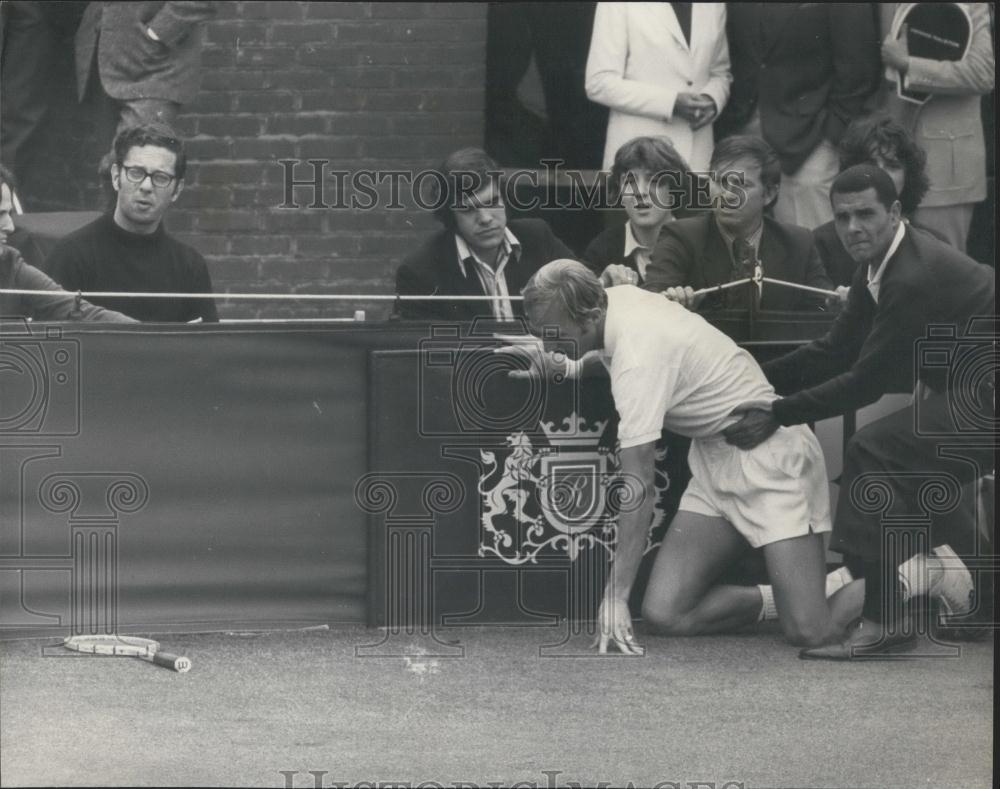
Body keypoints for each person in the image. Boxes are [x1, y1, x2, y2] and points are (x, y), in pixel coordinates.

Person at [723, 165, 995, 659]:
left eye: (866, 214)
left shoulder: (911, 275)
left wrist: (776, 412)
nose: (853, 228)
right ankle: (987, 604)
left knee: (875, 449)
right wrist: (750, 377)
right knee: (914, 465)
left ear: (894, 213)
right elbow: (834, 350)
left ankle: (883, 624)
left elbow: (865, 383)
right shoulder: (877, 265)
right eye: (843, 217)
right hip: (977, 392)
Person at [516, 259, 843, 654]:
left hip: (772, 458)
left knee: (809, 632)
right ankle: (801, 595)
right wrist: (565, 367)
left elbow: (639, 488)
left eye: (554, 335)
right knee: (666, 613)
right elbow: (606, 351)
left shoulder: (639, 356)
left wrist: (616, 598)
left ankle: (916, 575)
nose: (547, 345)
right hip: (714, 459)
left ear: (590, 314)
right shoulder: (612, 300)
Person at [716, 3, 881, 230]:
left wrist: (831, 134)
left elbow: (859, 66)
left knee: (812, 247)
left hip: (810, 139)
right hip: (740, 130)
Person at [47, 123, 217, 323]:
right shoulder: (71, 255)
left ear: (177, 190)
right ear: (116, 176)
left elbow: (207, 348)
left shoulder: (190, 266)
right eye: (136, 173)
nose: (146, 186)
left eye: (160, 178)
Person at [643, 135, 832, 312]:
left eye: (741, 185)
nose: (727, 194)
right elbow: (650, 300)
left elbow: (821, 310)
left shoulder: (798, 242)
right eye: (719, 181)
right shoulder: (681, 236)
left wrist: (835, 302)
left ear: (769, 194)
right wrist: (674, 305)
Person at [394, 148, 575, 322]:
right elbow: (422, 347)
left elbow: (586, 292)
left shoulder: (537, 236)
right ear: (450, 215)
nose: (485, 218)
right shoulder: (419, 271)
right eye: (468, 209)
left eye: (492, 202)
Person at [880, 2, 995, 252]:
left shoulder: (972, 5)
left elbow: (983, 74)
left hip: (947, 170)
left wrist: (908, 64)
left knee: (946, 265)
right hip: (894, 156)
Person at [585, 2, 731, 172]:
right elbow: (599, 82)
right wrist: (670, 102)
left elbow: (720, 72)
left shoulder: (714, 5)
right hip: (638, 157)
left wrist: (712, 100)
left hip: (698, 154)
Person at [75, 1, 216, 152]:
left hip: (156, 69)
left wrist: (159, 31)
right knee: (110, 167)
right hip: (101, 59)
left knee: (136, 162)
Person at [1, 165, 133, 322]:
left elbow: (83, 313)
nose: (10, 226)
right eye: (0, 214)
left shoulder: (11, 265)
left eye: (9, 213)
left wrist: (154, 337)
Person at [814, 113, 932, 289]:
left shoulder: (931, 243)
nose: (881, 174)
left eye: (892, 166)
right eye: (871, 164)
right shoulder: (821, 244)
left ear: (908, 175)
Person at [581, 135, 690, 288]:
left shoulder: (696, 244)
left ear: (674, 189)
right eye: (630, 181)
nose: (640, 192)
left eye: (653, 180)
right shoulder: (602, 250)